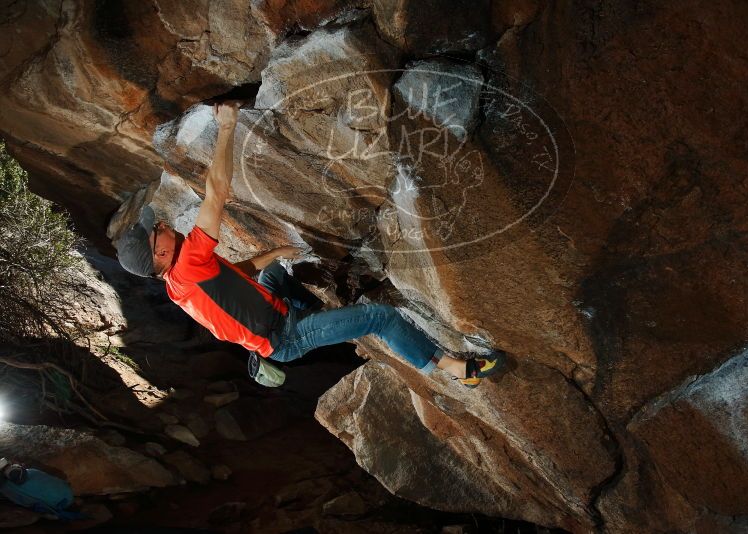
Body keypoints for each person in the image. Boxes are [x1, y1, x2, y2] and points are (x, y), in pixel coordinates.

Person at [114, 102, 504, 388]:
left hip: (269, 317)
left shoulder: (179, 281)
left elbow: (236, 276)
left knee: (274, 272)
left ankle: (318, 306)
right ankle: (454, 369)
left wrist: (276, 254)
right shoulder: (188, 264)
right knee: (381, 318)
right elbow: (216, 193)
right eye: (157, 231)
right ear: (160, 254)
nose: (163, 224)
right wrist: (227, 129)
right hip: (287, 336)